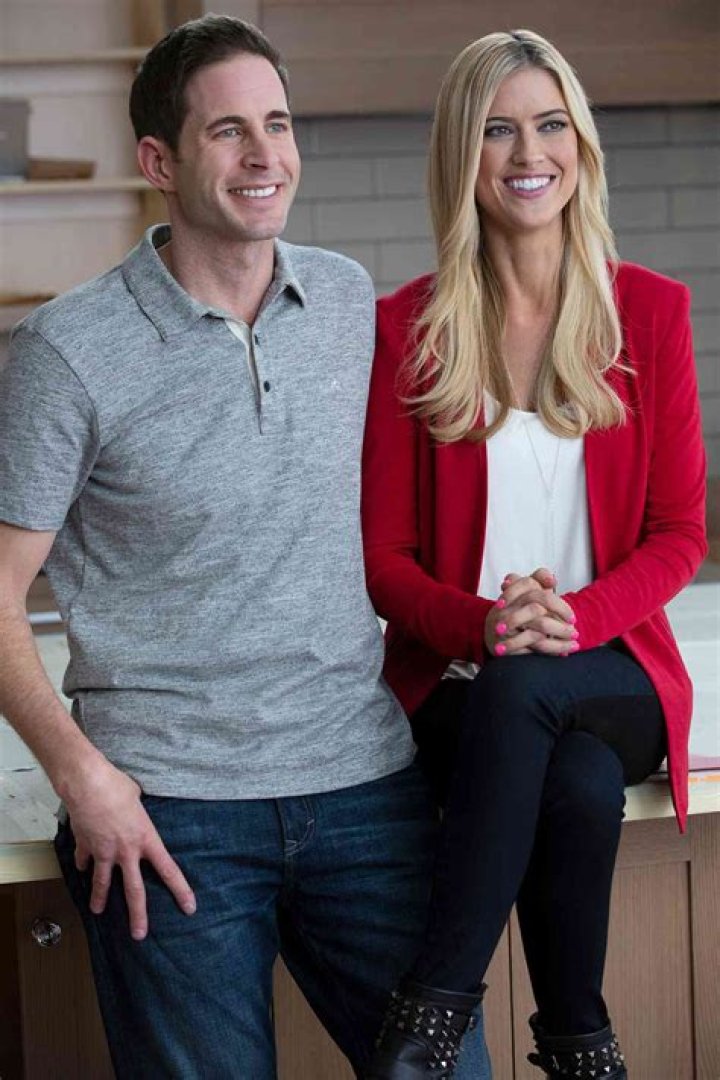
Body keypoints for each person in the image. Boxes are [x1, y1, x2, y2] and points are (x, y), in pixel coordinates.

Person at [0, 16, 490, 1079]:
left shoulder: (348, 300)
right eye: (228, 131)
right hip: (167, 812)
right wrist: (83, 779)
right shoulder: (65, 353)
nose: (265, 155)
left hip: (365, 787)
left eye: (278, 123)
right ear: (158, 162)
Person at [362, 28, 707, 1080]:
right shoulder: (406, 329)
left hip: (613, 667)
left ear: (580, 147)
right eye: (497, 130)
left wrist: (573, 620)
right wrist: (485, 626)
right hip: (457, 683)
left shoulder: (650, 311)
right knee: (580, 784)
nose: (528, 154)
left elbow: (681, 532)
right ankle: (581, 1046)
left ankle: (429, 1016)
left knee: (532, 688)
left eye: (550, 125)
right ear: (461, 154)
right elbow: (384, 558)